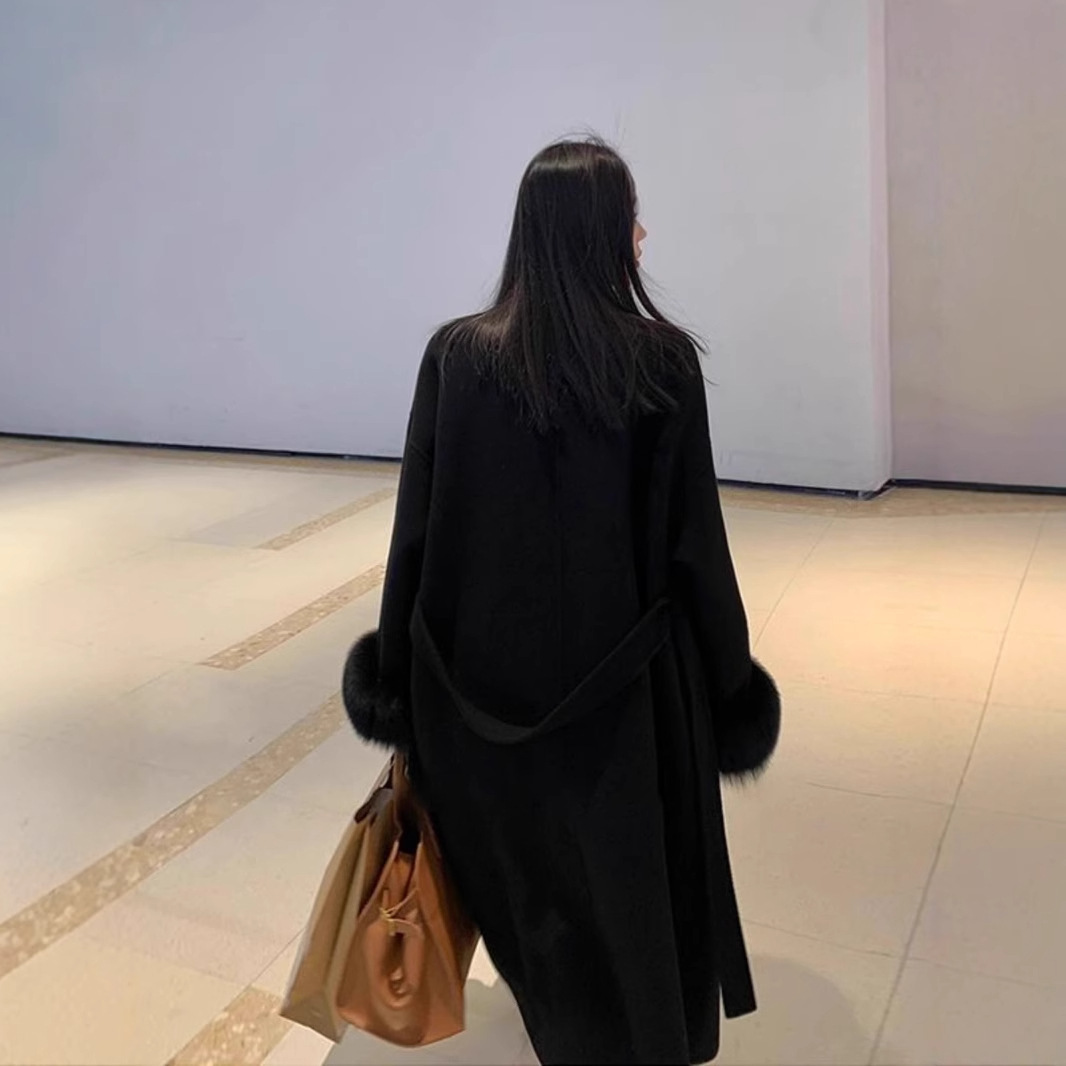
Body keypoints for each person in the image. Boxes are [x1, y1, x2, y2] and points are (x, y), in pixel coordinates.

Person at [342, 138, 780, 1066]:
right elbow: (696, 550)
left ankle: (557, 1020)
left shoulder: (456, 357)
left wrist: (396, 679)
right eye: (632, 214)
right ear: (600, 230)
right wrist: (731, 689)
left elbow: (415, 533)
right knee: (624, 887)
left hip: (471, 703)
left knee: (522, 885)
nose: (642, 232)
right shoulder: (661, 364)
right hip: (626, 708)